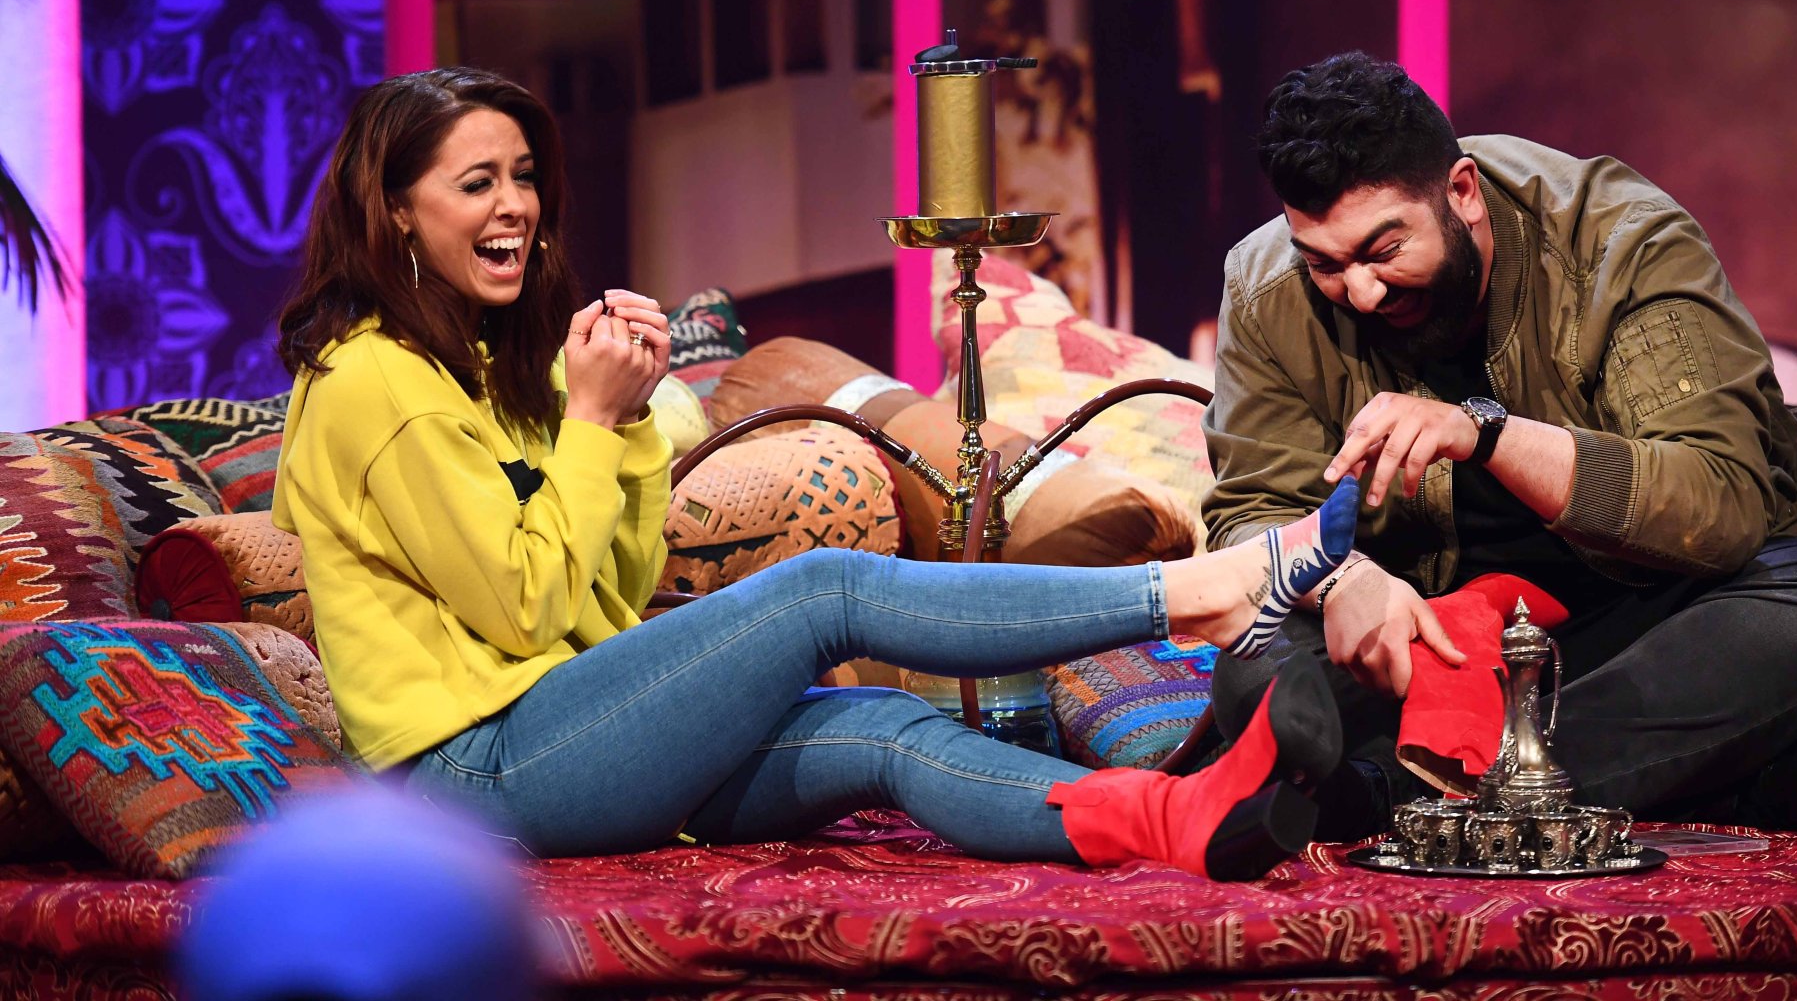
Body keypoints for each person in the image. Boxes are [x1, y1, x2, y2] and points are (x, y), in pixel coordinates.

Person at [271, 67, 1364, 882]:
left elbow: (609, 592)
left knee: (878, 732)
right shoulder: (372, 381)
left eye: (523, 177)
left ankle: (1176, 817)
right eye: (477, 183)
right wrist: (593, 420)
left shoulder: (471, 369)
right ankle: (1202, 592)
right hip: (468, 776)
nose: (515, 204)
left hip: (562, 734)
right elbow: (525, 609)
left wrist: (630, 422)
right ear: (397, 208)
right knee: (826, 589)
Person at [1204, 51, 1797, 837]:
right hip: (1431, 641)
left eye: (1383, 251)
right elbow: (1248, 514)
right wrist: (1341, 582)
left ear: (1462, 192)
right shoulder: (1265, 289)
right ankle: (1725, 777)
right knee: (1256, 668)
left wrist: (1485, 435)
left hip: (1651, 621)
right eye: (1325, 265)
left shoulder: (1622, 241)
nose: (1361, 292)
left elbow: (1719, 505)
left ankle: (1404, 799)